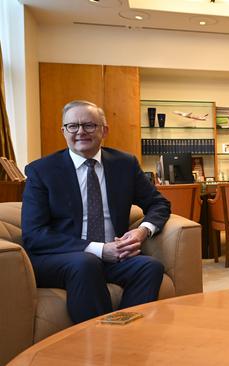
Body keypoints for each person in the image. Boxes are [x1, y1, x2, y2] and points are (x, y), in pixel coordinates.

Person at [21, 100, 171, 324]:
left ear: (104, 130)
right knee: (86, 263)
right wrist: (100, 250)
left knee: (149, 267)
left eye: (89, 125)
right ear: (63, 131)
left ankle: (125, 335)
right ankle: (97, 343)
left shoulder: (124, 164)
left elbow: (159, 203)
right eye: (73, 126)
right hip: (60, 258)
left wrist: (142, 231)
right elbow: (34, 235)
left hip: (114, 255)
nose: (81, 131)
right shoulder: (42, 171)